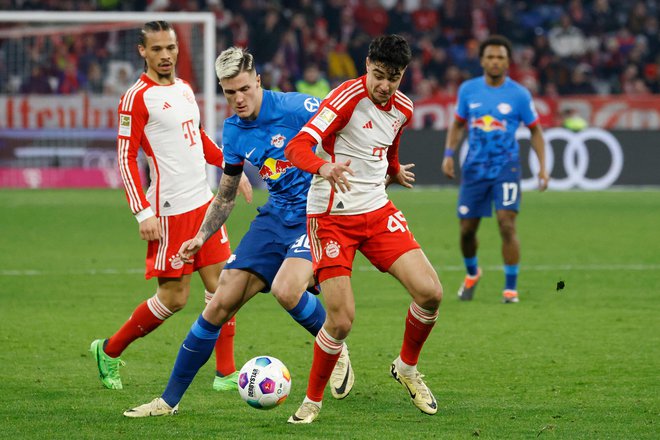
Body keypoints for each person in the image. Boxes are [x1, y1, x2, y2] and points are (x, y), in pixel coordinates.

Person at [122, 46, 355, 418]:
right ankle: (168, 402)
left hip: (316, 215)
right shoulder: (233, 130)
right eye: (230, 92)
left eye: (245, 89)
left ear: (258, 81)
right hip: (274, 217)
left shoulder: (298, 108)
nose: (238, 99)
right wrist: (201, 235)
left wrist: (373, 171)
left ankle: (335, 345)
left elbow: (348, 125)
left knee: (286, 288)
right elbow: (227, 193)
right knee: (219, 303)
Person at [283, 34, 443, 424]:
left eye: (394, 77)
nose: (385, 85)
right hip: (331, 217)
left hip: (376, 208)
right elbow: (297, 146)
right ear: (367, 64)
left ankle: (406, 368)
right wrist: (324, 167)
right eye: (378, 75)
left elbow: (388, 143)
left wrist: (393, 169)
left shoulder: (402, 107)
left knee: (431, 293)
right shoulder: (345, 98)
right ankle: (312, 401)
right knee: (340, 320)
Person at [90, 21, 252, 392]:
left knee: (225, 287)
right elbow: (126, 156)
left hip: (204, 206)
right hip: (169, 210)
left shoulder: (183, 89)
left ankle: (225, 372)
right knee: (174, 298)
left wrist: (232, 168)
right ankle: (109, 350)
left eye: (171, 48)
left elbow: (196, 137)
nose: (166, 55)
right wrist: (142, 212)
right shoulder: (136, 97)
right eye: (158, 49)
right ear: (142, 52)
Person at [441, 35, 549, 304]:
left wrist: (543, 168)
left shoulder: (519, 94)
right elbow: (457, 124)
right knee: (467, 230)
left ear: (508, 61)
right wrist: (448, 154)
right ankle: (472, 272)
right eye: (490, 57)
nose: (495, 61)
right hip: (474, 169)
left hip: (506, 167)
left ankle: (510, 289)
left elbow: (535, 131)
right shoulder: (468, 90)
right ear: (482, 61)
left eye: (500, 57)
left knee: (506, 223)